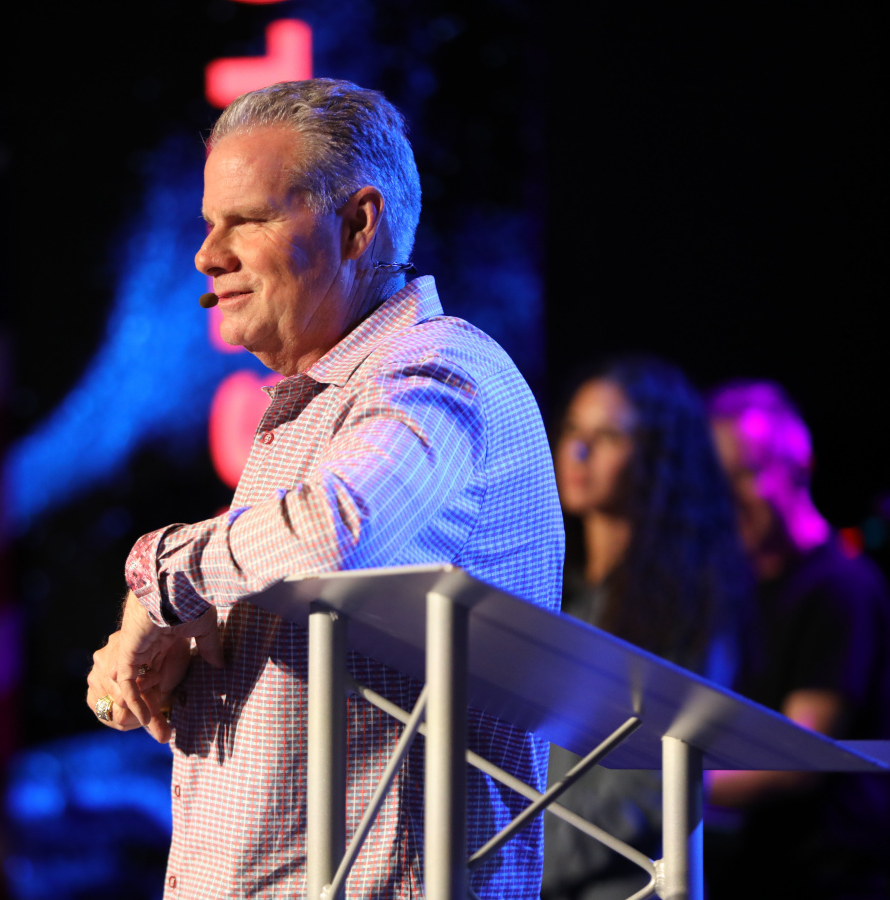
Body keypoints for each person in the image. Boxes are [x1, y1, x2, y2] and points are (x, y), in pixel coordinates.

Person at [84, 79, 564, 899]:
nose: (208, 256)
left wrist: (158, 574)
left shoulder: (437, 367)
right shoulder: (323, 401)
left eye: (249, 219)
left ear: (358, 224)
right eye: (208, 224)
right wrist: (183, 643)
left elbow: (339, 528)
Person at [541, 357, 750, 900]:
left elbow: (655, 782)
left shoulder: (688, 602)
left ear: (658, 457)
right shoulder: (555, 589)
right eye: (573, 430)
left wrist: (528, 861)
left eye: (608, 436)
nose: (578, 452)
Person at [706, 380, 890, 900]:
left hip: (832, 876)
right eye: (717, 479)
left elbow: (797, 759)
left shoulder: (841, 587)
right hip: (764, 867)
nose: (729, 498)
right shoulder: (741, 587)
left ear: (800, 468)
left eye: (746, 473)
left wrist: (660, 786)